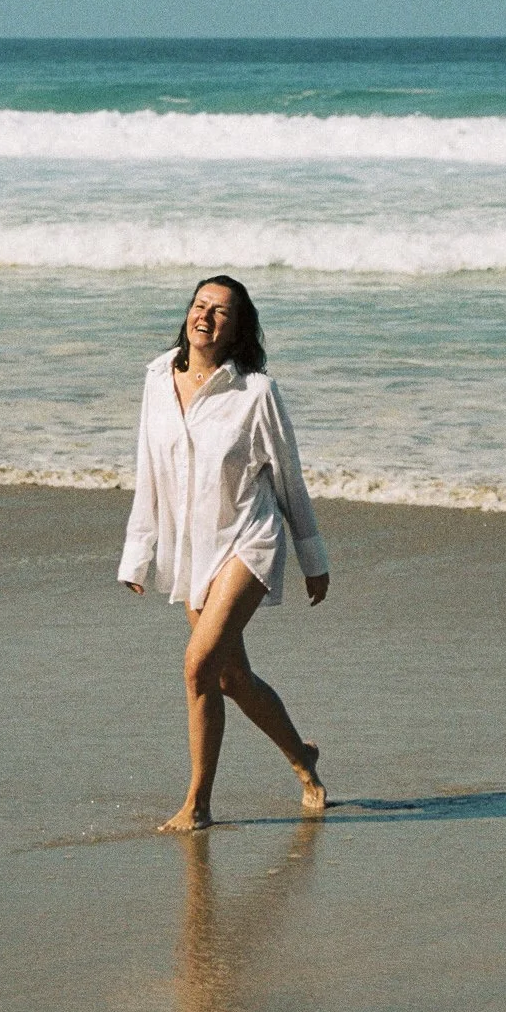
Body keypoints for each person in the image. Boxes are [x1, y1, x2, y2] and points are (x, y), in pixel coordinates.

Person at [118, 274, 330, 832]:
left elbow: (290, 478)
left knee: (197, 667)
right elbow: (149, 471)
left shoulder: (254, 392)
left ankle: (198, 804)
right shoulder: (157, 379)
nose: (207, 316)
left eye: (222, 312)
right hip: (194, 550)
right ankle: (302, 758)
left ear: (238, 330)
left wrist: (313, 558)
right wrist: (138, 555)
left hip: (250, 540)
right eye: (200, 304)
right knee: (231, 678)